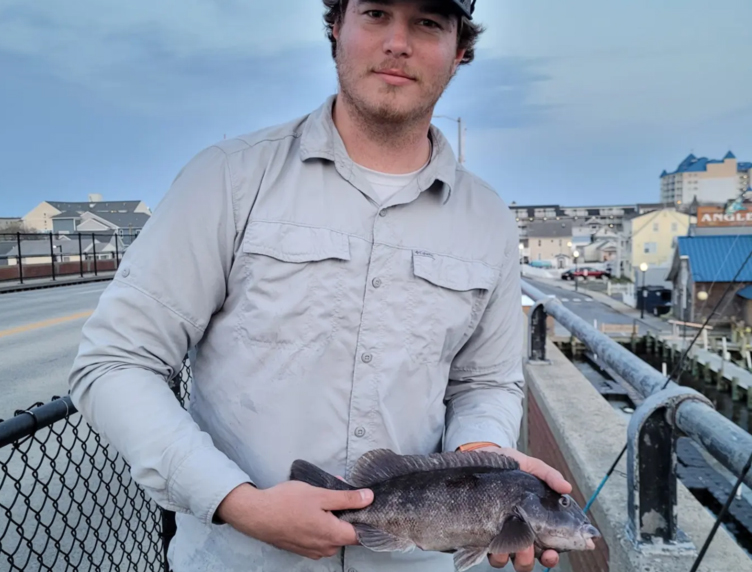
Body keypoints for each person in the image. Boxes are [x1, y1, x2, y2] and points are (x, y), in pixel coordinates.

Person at [68, 1, 573, 570]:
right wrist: (235, 502)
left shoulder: (488, 220)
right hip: (240, 558)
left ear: (460, 49)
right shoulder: (229, 179)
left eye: (428, 22)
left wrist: (480, 456)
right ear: (337, 27)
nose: (398, 43)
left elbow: (485, 382)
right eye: (377, 13)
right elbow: (114, 362)